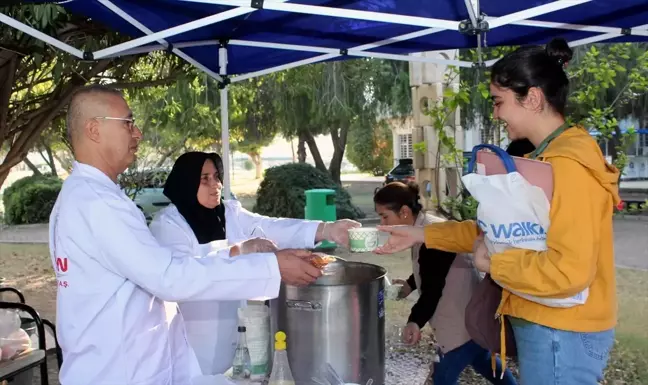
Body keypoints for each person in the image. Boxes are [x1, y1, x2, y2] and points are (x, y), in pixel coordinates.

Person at [375, 38, 620, 385]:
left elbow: (570, 271)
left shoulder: (568, 166)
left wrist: (494, 264)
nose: (495, 114)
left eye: (499, 102)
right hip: (549, 323)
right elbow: (500, 231)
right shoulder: (544, 159)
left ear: (532, 98)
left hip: (562, 331)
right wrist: (421, 233)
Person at [49, 85, 323, 385]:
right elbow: (170, 277)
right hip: (117, 373)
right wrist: (273, 267)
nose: (137, 133)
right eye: (128, 123)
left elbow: (158, 275)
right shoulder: (96, 203)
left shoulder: (92, 195)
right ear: (94, 129)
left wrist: (310, 236)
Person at [149, 151, 360, 375]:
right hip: (190, 342)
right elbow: (185, 276)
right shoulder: (168, 226)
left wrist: (326, 229)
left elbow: (269, 226)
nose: (216, 185)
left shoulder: (228, 213)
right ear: (186, 182)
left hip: (235, 335)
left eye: (217, 176)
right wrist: (239, 250)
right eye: (205, 179)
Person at [375, 182, 516, 385]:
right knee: (484, 362)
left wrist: (415, 321)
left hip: (460, 324)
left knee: (442, 377)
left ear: (404, 212)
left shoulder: (432, 235)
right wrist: (409, 285)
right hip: (474, 319)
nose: (382, 221)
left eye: (384, 216)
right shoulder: (425, 227)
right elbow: (433, 271)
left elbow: (433, 287)